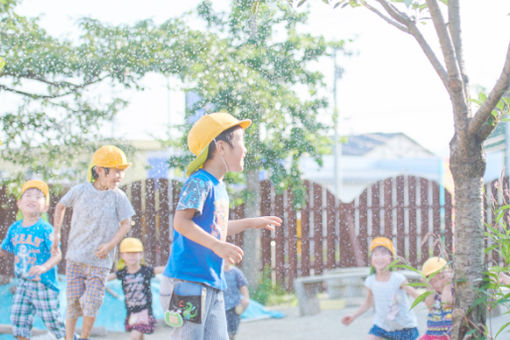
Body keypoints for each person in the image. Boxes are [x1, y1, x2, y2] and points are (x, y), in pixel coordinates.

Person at [159, 112, 282, 340]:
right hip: (188, 281)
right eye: (241, 142)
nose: (245, 149)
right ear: (221, 147)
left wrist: (250, 223)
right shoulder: (199, 182)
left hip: (211, 281)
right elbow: (181, 222)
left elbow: (217, 227)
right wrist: (218, 246)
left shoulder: (219, 186)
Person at [52, 145, 135, 340]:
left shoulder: (118, 197)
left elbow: (126, 224)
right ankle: (68, 337)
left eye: (122, 171)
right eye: (116, 171)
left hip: (100, 262)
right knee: (72, 301)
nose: (120, 176)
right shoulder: (80, 191)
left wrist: (110, 245)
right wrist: (55, 234)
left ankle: (84, 337)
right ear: (99, 170)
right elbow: (60, 206)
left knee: (92, 301)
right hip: (75, 258)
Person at [0, 180, 65, 340]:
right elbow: (3, 250)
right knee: (18, 321)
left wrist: (44, 267)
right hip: (23, 284)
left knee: (54, 323)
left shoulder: (46, 229)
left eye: (38, 197)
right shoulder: (14, 228)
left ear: (45, 207)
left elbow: (57, 255)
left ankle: (70, 337)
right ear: (19, 204)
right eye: (27, 196)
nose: (32, 199)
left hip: (44, 284)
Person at [341, 236, 420, 340]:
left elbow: (415, 294)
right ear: (371, 260)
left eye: (383, 254)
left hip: (404, 327)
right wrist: (353, 316)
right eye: (375, 254)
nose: (379, 258)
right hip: (382, 326)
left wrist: (431, 300)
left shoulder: (397, 279)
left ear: (391, 259)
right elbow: (368, 304)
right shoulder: (371, 281)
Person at [107, 237, 165, 340]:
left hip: (144, 310)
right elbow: (108, 278)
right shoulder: (123, 272)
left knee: (135, 335)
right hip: (131, 311)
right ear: (122, 256)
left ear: (141, 255)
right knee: (139, 336)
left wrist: (175, 268)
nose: (131, 256)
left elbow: (160, 269)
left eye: (135, 253)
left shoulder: (145, 271)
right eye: (128, 253)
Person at [419, 257, 453, 340]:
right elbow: (430, 306)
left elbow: (446, 304)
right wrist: (429, 288)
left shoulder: (452, 291)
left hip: (446, 335)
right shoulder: (434, 294)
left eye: (442, 278)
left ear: (449, 275)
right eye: (433, 281)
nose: (438, 284)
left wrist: (448, 284)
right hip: (431, 334)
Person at [223, 262, 249, 340]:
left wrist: (246, 298)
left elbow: (243, 286)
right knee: (224, 328)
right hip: (221, 305)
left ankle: (231, 335)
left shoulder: (236, 272)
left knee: (233, 326)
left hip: (234, 306)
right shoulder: (219, 273)